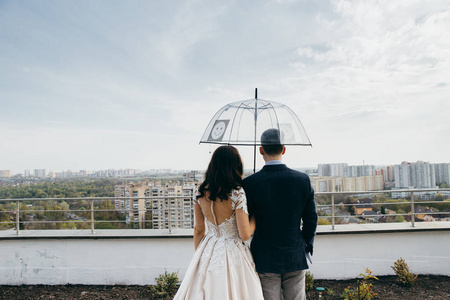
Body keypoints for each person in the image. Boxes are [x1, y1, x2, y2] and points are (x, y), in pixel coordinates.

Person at [173, 145, 264, 300]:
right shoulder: (237, 193)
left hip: (208, 246)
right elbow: (245, 235)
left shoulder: (199, 191)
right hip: (233, 249)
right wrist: (255, 218)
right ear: (236, 165)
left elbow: (198, 230)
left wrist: (200, 256)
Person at [243, 128, 318, 300]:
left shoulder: (250, 183)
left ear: (260, 150)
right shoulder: (302, 180)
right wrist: (303, 244)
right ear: (284, 149)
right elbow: (311, 220)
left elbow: (245, 222)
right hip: (295, 253)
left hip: (264, 256)